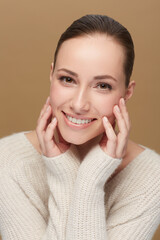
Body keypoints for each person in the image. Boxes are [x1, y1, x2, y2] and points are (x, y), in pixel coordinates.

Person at [0, 14, 160, 240]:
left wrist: (90, 179)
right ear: (51, 74)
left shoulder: (152, 177)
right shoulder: (7, 160)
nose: (78, 104)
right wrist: (63, 174)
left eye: (102, 85)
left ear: (127, 92)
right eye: (67, 79)